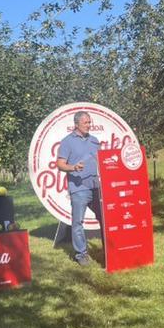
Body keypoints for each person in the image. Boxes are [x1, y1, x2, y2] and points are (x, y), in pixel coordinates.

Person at [56, 111, 102, 266]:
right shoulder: (67, 142)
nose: (89, 125)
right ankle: (81, 254)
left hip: (96, 187)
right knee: (77, 223)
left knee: (105, 219)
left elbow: (103, 161)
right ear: (76, 124)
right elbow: (60, 164)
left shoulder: (95, 140)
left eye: (90, 122)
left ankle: (109, 250)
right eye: (86, 123)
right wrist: (73, 167)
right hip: (79, 189)